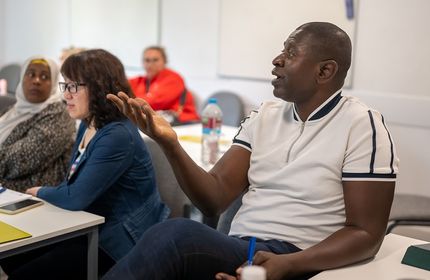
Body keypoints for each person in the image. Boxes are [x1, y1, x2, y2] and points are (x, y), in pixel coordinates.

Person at [104, 22, 399, 280]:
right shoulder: (265, 115)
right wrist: (171, 144)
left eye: (291, 53)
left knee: (173, 236)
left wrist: (288, 264)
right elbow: (213, 199)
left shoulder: (361, 124)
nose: (276, 60)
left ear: (325, 71)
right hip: (245, 250)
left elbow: (366, 234)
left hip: (301, 257)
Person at [1, 49, 170, 279]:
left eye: (73, 87)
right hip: (87, 223)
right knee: (13, 255)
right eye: (65, 86)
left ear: (99, 88)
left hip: (120, 240)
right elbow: (73, 183)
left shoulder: (117, 135)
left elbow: (76, 197)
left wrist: (39, 191)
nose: (66, 95)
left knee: (26, 272)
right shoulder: (88, 122)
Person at [0, 56, 75, 192]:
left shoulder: (58, 115)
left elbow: (19, 161)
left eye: (45, 77)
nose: (36, 81)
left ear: (53, 83)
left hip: (26, 196)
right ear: (22, 78)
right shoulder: (13, 110)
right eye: (31, 74)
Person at [128, 46, 200, 125]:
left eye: (155, 60)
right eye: (147, 60)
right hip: (161, 122)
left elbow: (152, 103)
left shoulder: (173, 78)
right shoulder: (140, 80)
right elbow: (122, 87)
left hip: (185, 123)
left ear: (164, 61)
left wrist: (129, 101)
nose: (150, 64)